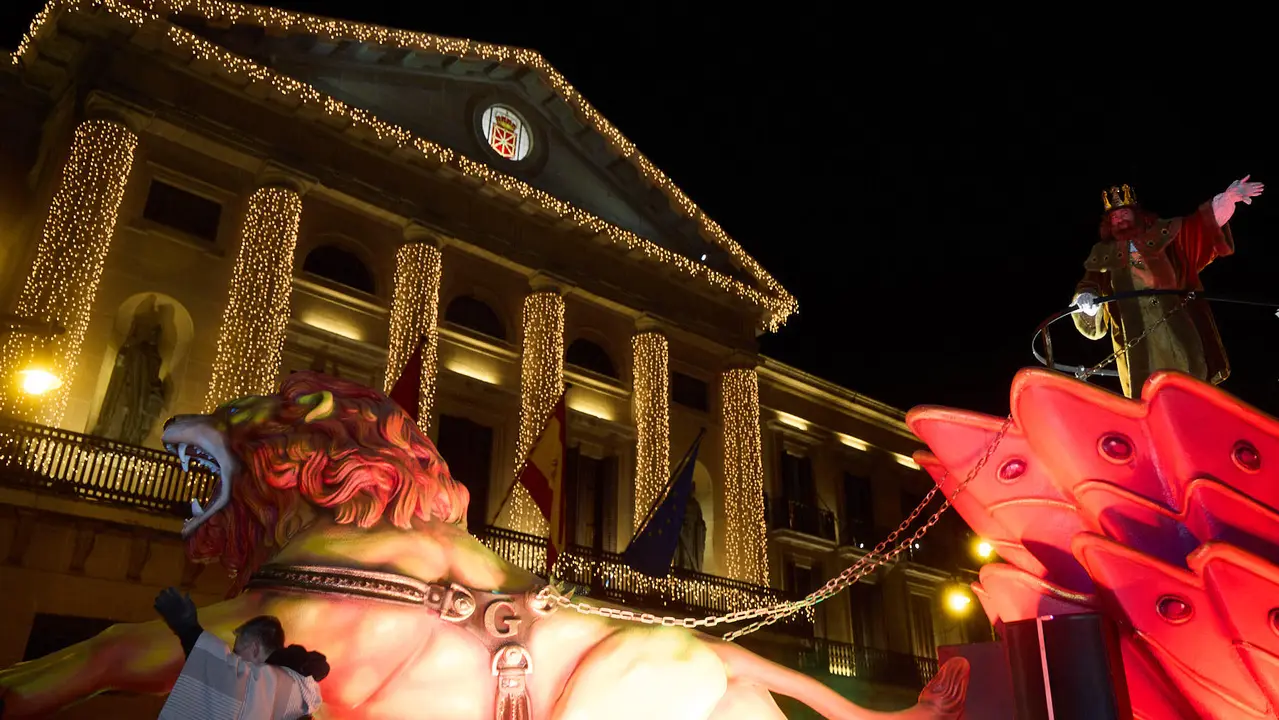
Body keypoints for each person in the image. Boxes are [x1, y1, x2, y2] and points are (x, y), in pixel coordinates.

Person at [1072, 177, 1264, 398]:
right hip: (1136, 343)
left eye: (1124, 213)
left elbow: (1199, 228)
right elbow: (1090, 284)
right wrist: (1086, 298)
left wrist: (1226, 200)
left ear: (1137, 214)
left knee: (1193, 385)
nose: (1119, 218)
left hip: (1179, 328)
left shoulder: (1166, 234)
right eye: (1114, 216)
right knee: (1145, 393)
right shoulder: (1102, 254)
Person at [153, 588, 327, 719]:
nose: (234, 660)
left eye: (236, 652)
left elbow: (226, 677)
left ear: (255, 648)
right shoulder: (297, 689)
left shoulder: (285, 685)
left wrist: (187, 629)